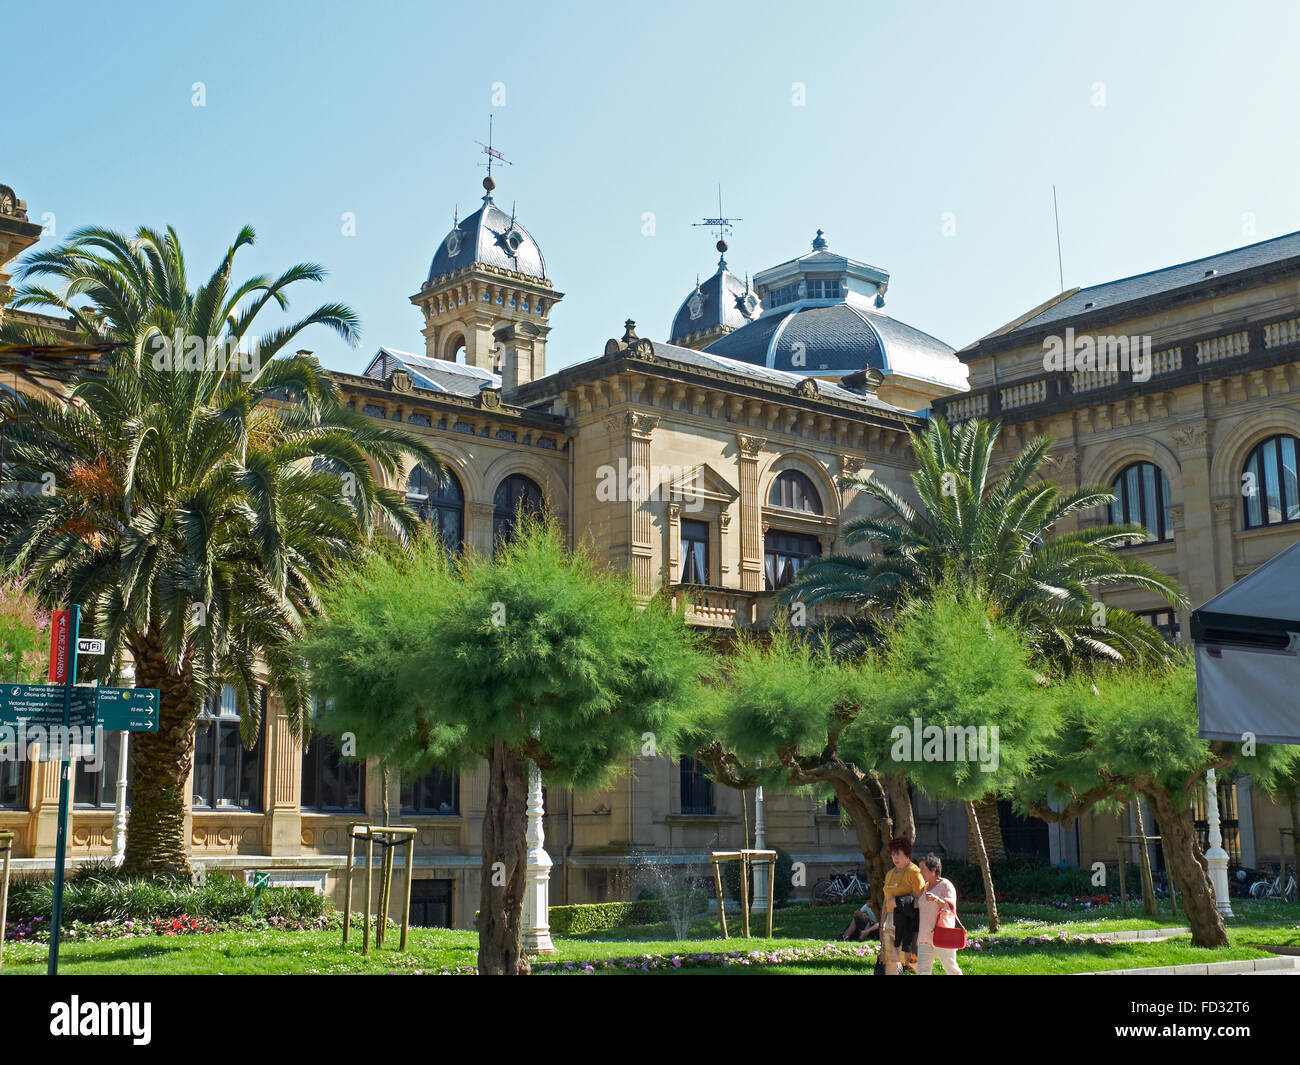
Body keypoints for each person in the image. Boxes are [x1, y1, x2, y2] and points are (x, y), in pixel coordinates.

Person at [880, 837, 924, 975]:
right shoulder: (889, 874)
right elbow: (886, 901)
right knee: (891, 960)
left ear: (908, 854)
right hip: (891, 921)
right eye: (893, 854)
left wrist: (899, 901)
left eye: (898, 854)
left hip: (909, 922)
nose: (895, 858)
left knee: (912, 959)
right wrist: (882, 924)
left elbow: (921, 902)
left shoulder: (914, 872)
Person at [916, 853, 962, 975]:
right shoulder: (925, 887)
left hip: (942, 934)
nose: (920, 872)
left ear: (934, 869)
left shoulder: (946, 885)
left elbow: (950, 907)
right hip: (924, 937)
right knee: (922, 972)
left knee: (951, 970)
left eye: (923, 869)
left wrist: (935, 899)